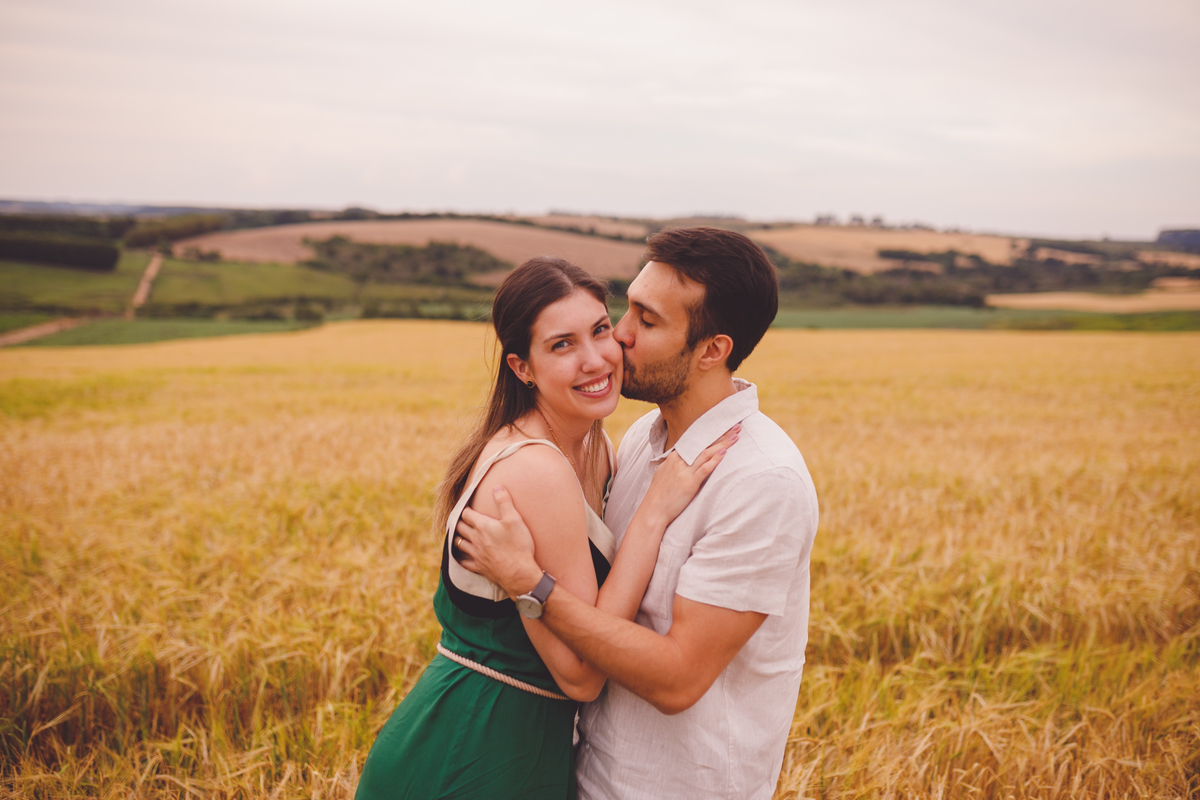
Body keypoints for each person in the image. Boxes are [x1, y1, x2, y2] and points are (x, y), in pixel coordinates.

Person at [455, 227, 820, 800]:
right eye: (625, 310)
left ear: (711, 350)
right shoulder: (639, 440)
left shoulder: (759, 481)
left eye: (646, 321)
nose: (618, 337)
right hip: (583, 778)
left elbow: (677, 679)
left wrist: (529, 583)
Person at [355, 256, 736, 800]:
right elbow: (582, 674)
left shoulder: (595, 449)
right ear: (522, 368)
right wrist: (653, 513)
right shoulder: (535, 468)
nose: (594, 359)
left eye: (600, 330)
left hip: (527, 747)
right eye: (562, 345)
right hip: (467, 751)